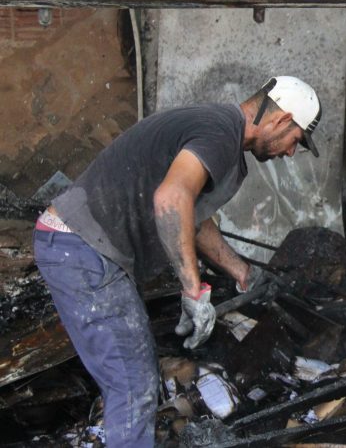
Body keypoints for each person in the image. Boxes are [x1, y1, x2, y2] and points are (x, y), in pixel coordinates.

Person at [33, 76, 322, 447]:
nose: (290, 152)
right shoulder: (219, 133)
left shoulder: (219, 129)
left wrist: (243, 273)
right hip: (81, 247)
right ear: (281, 120)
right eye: (296, 141)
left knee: (134, 378)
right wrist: (193, 291)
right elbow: (171, 198)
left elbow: (193, 219)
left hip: (84, 246)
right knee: (133, 383)